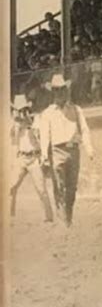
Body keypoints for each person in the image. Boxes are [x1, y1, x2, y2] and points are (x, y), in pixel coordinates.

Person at [39, 74, 94, 226]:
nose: (60, 93)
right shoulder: (47, 113)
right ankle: (62, 219)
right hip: (56, 151)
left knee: (72, 187)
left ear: (66, 90)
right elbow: (45, 135)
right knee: (59, 185)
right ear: (53, 92)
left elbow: (84, 129)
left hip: (73, 150)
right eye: (56, 90)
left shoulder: (76, 109)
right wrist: (44, 154)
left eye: (62, 90)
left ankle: (68, 215)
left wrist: (89, 147)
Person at [10, 94, 54, 223]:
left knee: (41, 189)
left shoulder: (36, 120)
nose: (22, 113)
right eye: (19, 110)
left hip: (34, 158)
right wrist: (16, 122)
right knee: (11, 187)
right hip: (22, 158)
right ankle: (10, 216)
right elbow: (11, 136)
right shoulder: (15, 123)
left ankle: (49, 217)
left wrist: (28, 123)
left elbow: (39, 135)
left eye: (24, 109)